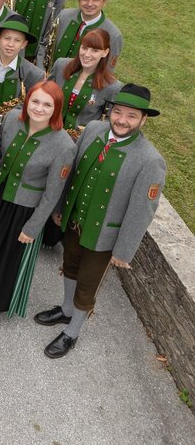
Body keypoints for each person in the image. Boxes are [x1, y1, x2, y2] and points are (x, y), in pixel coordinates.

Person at [34, 84, 166, 358]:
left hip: (104, 236)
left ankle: (72, 333)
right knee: (69, 266)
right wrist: (60, 208)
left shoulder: (150, 160)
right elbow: (70, 172)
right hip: (74, 221)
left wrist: (123, 251)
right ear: (110, 112)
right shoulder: (94, 130)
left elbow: (142, 210)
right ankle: (66, 310)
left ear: (143, 120)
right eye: (118, 112)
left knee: (88, 283)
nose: (122, 120)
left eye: (132, 116)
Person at [0, 81, 75, 318]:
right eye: (35, 101)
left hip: (22, 209)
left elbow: (52, 193)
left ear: (56, 108)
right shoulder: (12, 120)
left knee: (3, 256)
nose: (39, 108)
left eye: (47, 104)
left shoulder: (64, 145)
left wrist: (33, 227)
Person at [49, 29, 122, 134]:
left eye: (95, 50)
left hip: (78, 141)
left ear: (105, 52)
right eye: (84, 48)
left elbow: (109, 120)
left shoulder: (113, 87)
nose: (87, 54)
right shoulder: (61, 65)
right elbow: (44, 93)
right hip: (47, 130)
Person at [42, 0, 123, 68]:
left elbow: (106, 71)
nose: (89, 4)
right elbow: (45, 45)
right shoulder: (63, 16)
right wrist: (41, 72)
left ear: (104, 1)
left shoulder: (113, 35)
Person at [0, 15, 46, 112]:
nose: (11, 44)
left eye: (17, 40)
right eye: (7, 38)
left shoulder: (34, 75)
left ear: (24, 44)